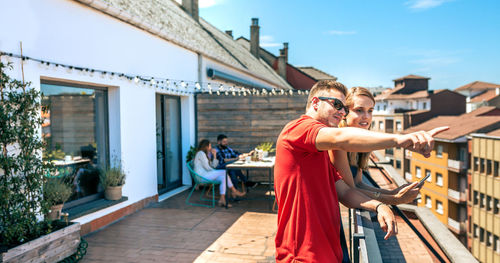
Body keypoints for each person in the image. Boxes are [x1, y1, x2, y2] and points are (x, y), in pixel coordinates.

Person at [274, 80, 447, 262]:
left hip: (329, 252)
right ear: (316, 103)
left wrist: (380, 205)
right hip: (301, 255)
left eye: (344, 108)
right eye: (338, 105)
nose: (342, 112)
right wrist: (400, 140)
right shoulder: (297, 129)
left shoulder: (319, 153)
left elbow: (346, 192)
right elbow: (340, 137)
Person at [330, 87, 421, 205]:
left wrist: (392, 192)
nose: (366, 116)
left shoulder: (361, 141)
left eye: (370, 111)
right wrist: (394, 199)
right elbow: (351, 189)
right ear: (345, 113)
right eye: (359, 110)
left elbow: (359, 183)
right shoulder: (338, 143)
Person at [193, 139, 245, 207]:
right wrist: (216, 172)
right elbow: (208, 168)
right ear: (206, 146)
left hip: (206, 174)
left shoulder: (205, 154)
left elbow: (213, 166)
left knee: (223, 177)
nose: (211, 147)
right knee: (223, 172)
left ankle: (222, 199)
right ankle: (234, 190)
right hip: (201, 177)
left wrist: (214, 155)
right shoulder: (201, 153)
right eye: (210, 145)